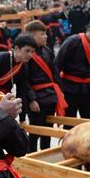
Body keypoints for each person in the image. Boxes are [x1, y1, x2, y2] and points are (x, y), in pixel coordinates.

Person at [23, 20, 66, 153]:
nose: (46, 37)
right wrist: (31, 100)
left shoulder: (47, 50)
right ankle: (32, 158)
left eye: (45, 34)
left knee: (48, 130)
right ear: (31, 36)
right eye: (42, 34)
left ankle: (45, 154)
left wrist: (60, 91)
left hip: (50, 95)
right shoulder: (27, 53)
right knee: (35, 131)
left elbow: (55, 72)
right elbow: (25, 80)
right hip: (37, 98)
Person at [56, 18, 90, 119]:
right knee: (69, 121)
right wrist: (58, 88)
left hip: (88, 90)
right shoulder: (72, 41)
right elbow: (58, 63)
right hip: (69, 89)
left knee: (88, 119)